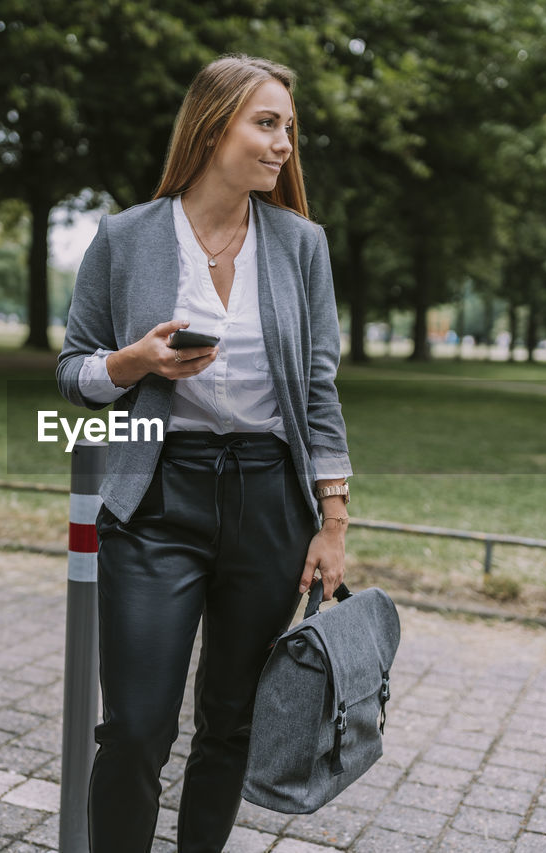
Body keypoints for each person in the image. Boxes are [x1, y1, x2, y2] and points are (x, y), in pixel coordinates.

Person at [55, 54, 352, 852]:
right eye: (266, 123)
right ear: (214, 127)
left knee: (230, 723)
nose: (283, 142)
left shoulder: (301, 245)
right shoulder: (126, 236)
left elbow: (319, 390)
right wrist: (134, 362)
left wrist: (333, 520)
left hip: (268, 506)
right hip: (158, 499)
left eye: (289, 127)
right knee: (137, 728)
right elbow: (72, 371)